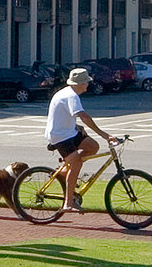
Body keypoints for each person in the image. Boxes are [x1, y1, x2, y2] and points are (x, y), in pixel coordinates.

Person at [44, 67, 119, 214]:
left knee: (93, 147)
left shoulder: (69, 93)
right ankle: (68, 202)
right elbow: (84, 117)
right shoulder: (71, 96)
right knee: (77, 163)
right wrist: (104, 134)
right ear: (78, 83)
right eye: (85, 83)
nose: (87, 85)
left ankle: (65, 171)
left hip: (70, 131)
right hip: (60, 136)